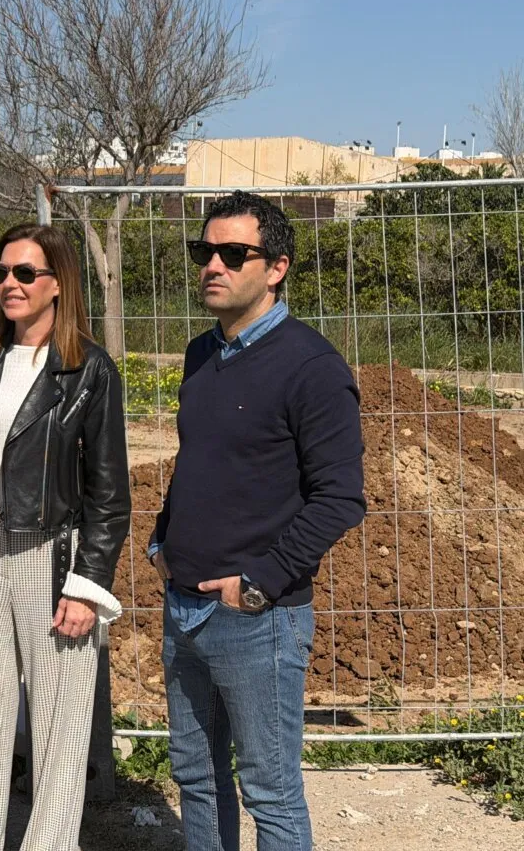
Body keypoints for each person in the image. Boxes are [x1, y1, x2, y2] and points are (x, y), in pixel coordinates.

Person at [150, 191, 366, 851]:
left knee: (270, 792)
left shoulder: (312, 367)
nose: (213, 265)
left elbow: (340, 498)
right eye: (204, 251)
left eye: (233, 253)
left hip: (256, 619)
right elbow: (201, 459)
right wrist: (162, 539)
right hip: (183, 605)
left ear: (276, 268)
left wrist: (260, 583)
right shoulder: (201, 354)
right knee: (196, 777)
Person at [0, 223, 132, 851]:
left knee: (61, 726)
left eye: (25, 273)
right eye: (2, 273)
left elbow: (109, 491)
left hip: (53, 554)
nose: (10, 283)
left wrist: (87, 583)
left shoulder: (89, 370)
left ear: (57, 284)